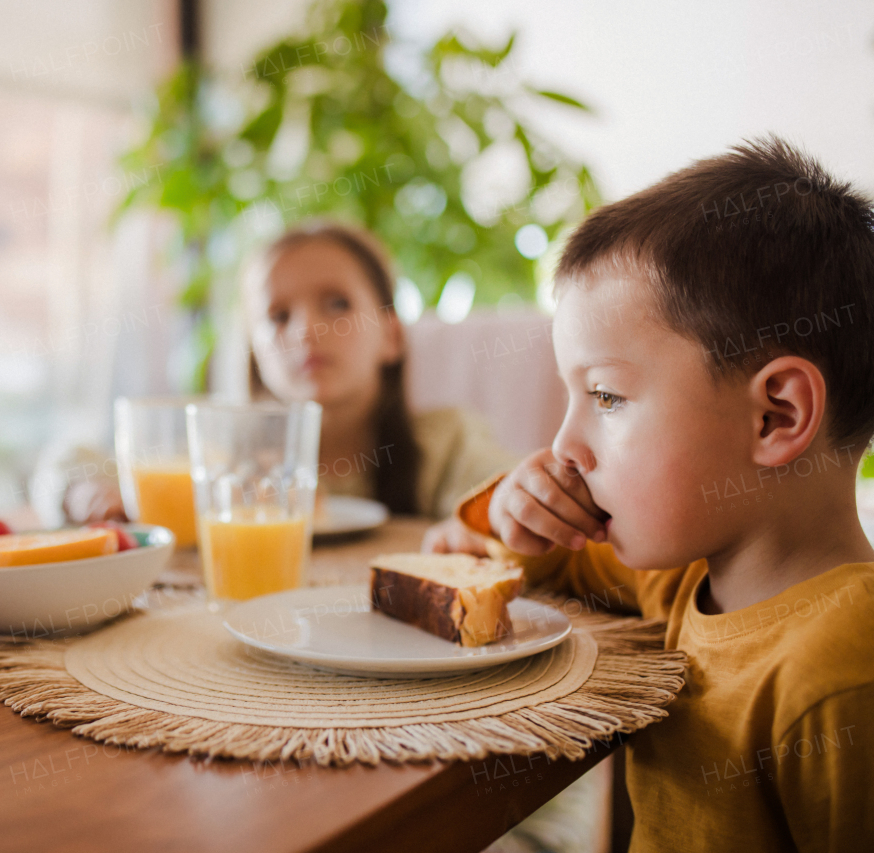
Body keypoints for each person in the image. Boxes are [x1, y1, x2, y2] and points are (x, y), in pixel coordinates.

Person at [425, 137, 874, 849]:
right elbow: (554, 562)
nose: (565, 444)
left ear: (776, 415)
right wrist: (516, 514)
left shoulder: (846, 667)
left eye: (605, 394)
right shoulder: (684, 575)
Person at [47, 221, 514, 526]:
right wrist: (85, 490)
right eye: (277, 316)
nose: (306, 331)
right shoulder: (223, 450)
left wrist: (503, 517)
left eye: (337, 303)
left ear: (391, 336)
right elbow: (68, 459)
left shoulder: (445, 443)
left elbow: (508, 498)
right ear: (256, 353)